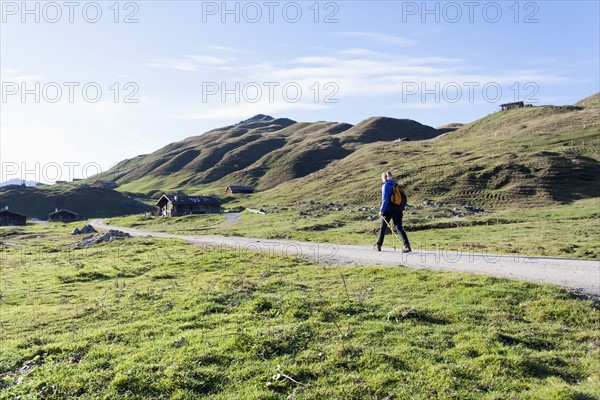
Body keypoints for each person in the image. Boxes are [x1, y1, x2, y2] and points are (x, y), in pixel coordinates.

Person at [374, 171, 411, 253]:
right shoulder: (396, 185)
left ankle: (378, 245)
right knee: (399, 228)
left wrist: (381, 210)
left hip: (388, 210)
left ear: (384, 178)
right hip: (398, 209)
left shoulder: (385, 186)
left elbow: (385, 200)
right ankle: (407, 246)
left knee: (383, 228)